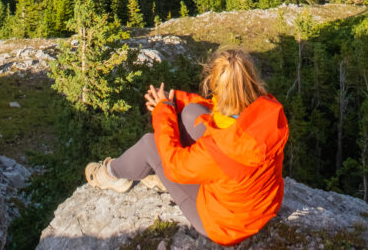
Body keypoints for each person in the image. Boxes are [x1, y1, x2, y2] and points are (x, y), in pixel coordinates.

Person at [85, 47, 288, 246]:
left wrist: (163, 112)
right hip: (261, 205)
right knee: (192, 112)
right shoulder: (268, 109)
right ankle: (148, 171)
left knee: (149, 144)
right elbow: (216, 110)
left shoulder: (219, 150)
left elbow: (175, 167)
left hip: (225, 226)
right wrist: (174, 102)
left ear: (213, 83)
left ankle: (109, 174)